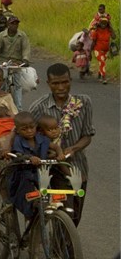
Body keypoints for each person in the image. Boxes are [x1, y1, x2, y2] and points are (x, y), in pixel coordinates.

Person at [29, 63, 94, 226]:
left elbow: (87, 135)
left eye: (64, 82)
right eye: (55, 83)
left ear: (70, 80)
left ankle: (63, 246)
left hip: (77, 167)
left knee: (75, 216)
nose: (61, 87)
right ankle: (61, 249)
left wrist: (71, 149)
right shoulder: (39, 107)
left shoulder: (84, 102)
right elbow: (28, 134)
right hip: (51, 168)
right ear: (48, 84)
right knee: (65, 215)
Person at [7, 111, 65, 219]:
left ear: (36, 127)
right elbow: (17, 154)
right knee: (27, 189)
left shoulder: (41, 138)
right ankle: (32, 207)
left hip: (39, 171)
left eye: (31, 127)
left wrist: (60, 154)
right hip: (23, 173)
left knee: (47, 182)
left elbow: (55, 147)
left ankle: (50, 202)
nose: (29, 131)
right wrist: (29, 158)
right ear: (18, 130)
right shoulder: (18, 140)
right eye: (24, 129)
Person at [0, 15, 31, 110]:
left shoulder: (22, 36)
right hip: (3, 62)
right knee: (2, 81)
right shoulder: (2, 36)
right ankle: (0, 104)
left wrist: (25, 59)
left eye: (16, 23)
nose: (15, 25)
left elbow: (26, 48)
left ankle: (18, 108)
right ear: (8, 24)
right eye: (12, 23)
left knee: (18, 84)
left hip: (16, 62)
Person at [90, 16, 116, 84]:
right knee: (102, 62)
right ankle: (104, 77)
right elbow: (93, 42)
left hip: (106, 50)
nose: (103, 24)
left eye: (105, 23)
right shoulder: (96, 31)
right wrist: (90, 52)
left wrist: (111, 28)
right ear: (99, 23)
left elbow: (114, 37)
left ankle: (99, 74)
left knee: (102, 62)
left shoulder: (108, 30)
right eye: (102, 22)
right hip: (98, 49)